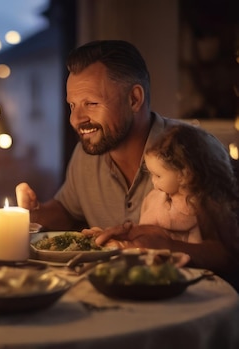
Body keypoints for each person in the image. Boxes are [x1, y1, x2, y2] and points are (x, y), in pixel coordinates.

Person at [15, 40, 239, 287]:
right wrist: (34, 214)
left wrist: (167, 247)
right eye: (72, 105)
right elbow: (68, 210)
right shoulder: (85, 153)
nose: (77, 119)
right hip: (113, 301)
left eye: (91, 103)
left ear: (134, 99)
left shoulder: (192, 150)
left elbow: (230, 255)